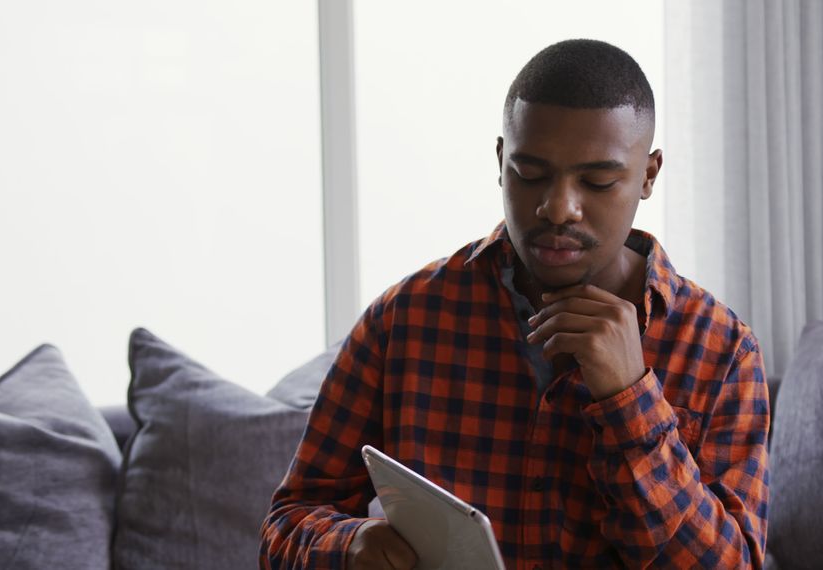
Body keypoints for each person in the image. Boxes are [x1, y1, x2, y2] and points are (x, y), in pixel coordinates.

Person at [260, 39, 769, 569]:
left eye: (596, 181)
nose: (558, 208)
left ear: (648, 175)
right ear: (501, 161)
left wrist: (630, 401)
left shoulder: (723, 351)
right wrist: (351, 547)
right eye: (530, 175)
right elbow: (287, 523)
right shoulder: (405, 321)